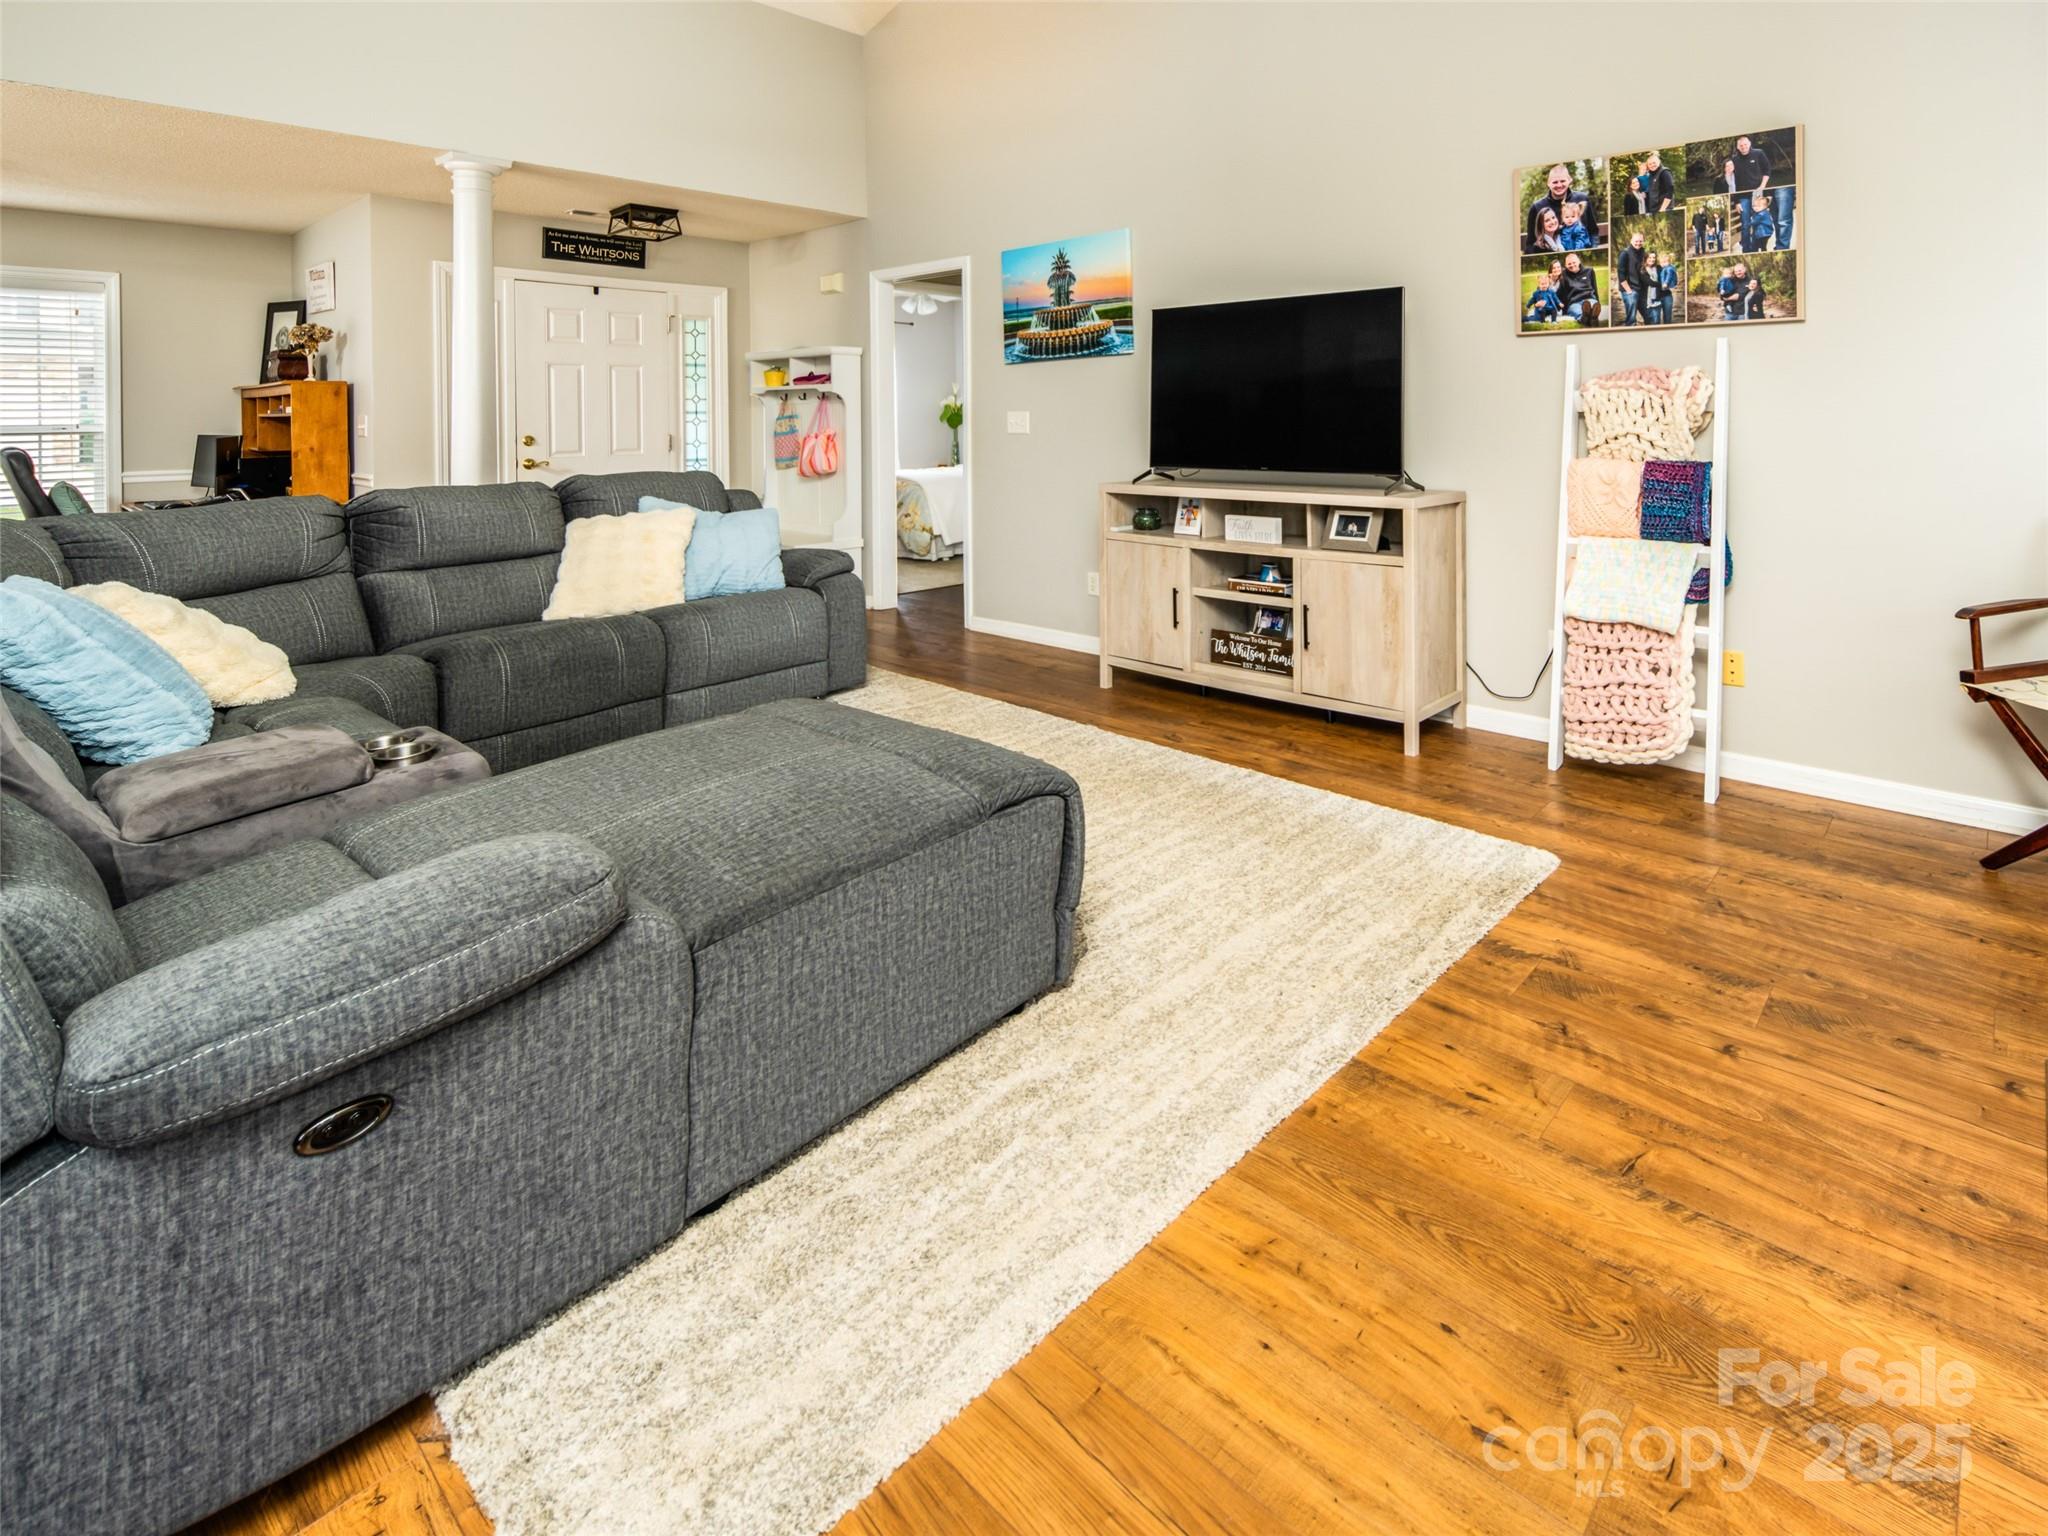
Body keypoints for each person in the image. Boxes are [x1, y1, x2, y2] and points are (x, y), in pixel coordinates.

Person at [1525, 163, 1592, 252]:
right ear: (1548, 183)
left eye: (1563, 181)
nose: (1559, 185)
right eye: (1555, 182)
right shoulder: (1537, 207)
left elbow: (1593, 232)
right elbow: (1530, 243)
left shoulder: (1582, 199)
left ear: (1569, 180)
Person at [1556, 252, 1601, 324]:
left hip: (1589, 298)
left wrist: (1598, 302)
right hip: (1574, 302)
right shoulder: (1564, 275)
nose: (1572, 265)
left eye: (1574, 262)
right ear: (1565, 265)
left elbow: (1595, 288)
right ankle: (1584, 318)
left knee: (1592, 306)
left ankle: (1593, 317)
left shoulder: (1589, 271)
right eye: (1569, 264)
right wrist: (1563, 310)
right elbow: (1561, 292)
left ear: (1579, 261)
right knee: (1578, 311)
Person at [1616, 232, 1647, 325]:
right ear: (1631, 241)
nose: (1638, 243)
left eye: (1640, 241)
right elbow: (1620, 274)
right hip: (1629, 290)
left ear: (1643, 241)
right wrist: (1629, 291)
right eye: (1636, 241)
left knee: (1649, 315)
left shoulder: (1643, 252)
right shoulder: (1624, 253)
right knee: (1631, 320)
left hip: (1641, 289)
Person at [1656, 252, 1678, 324]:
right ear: (1659, 262)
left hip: (1667, 295)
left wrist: (1666, 283)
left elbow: (1669, 276)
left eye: (1665, 262)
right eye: (1662, 262)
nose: (1663, 264)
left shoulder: (1669, 268)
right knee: (1656, 319)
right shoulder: (1657, 269)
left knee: (1667, 317)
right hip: (1657, 296)